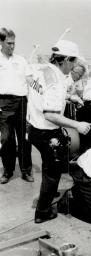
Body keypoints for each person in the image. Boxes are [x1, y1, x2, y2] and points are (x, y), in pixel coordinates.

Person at [27, 40, 91, 224]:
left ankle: (47, 195)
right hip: (46, 132)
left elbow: (41, 94)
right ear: (65, 60)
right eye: (73, 62)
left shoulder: (42, 71)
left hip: (33, 128)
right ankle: (43, 212)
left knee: (51, 169)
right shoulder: (57, 81)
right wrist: (77, 125)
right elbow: (50, 115)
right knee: (52, 172)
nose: (73, 67)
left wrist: (69, 98)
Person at [0, 27, 33, 184]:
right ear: (1, 42)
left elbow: (30, 81)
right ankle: (7, 171)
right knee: (6, 139)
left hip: (21, 103)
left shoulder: (21, 60)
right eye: (9, 43)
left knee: (24, 138)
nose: (12, 47)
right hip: (3, 103)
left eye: (14, 43)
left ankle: (26, 170)